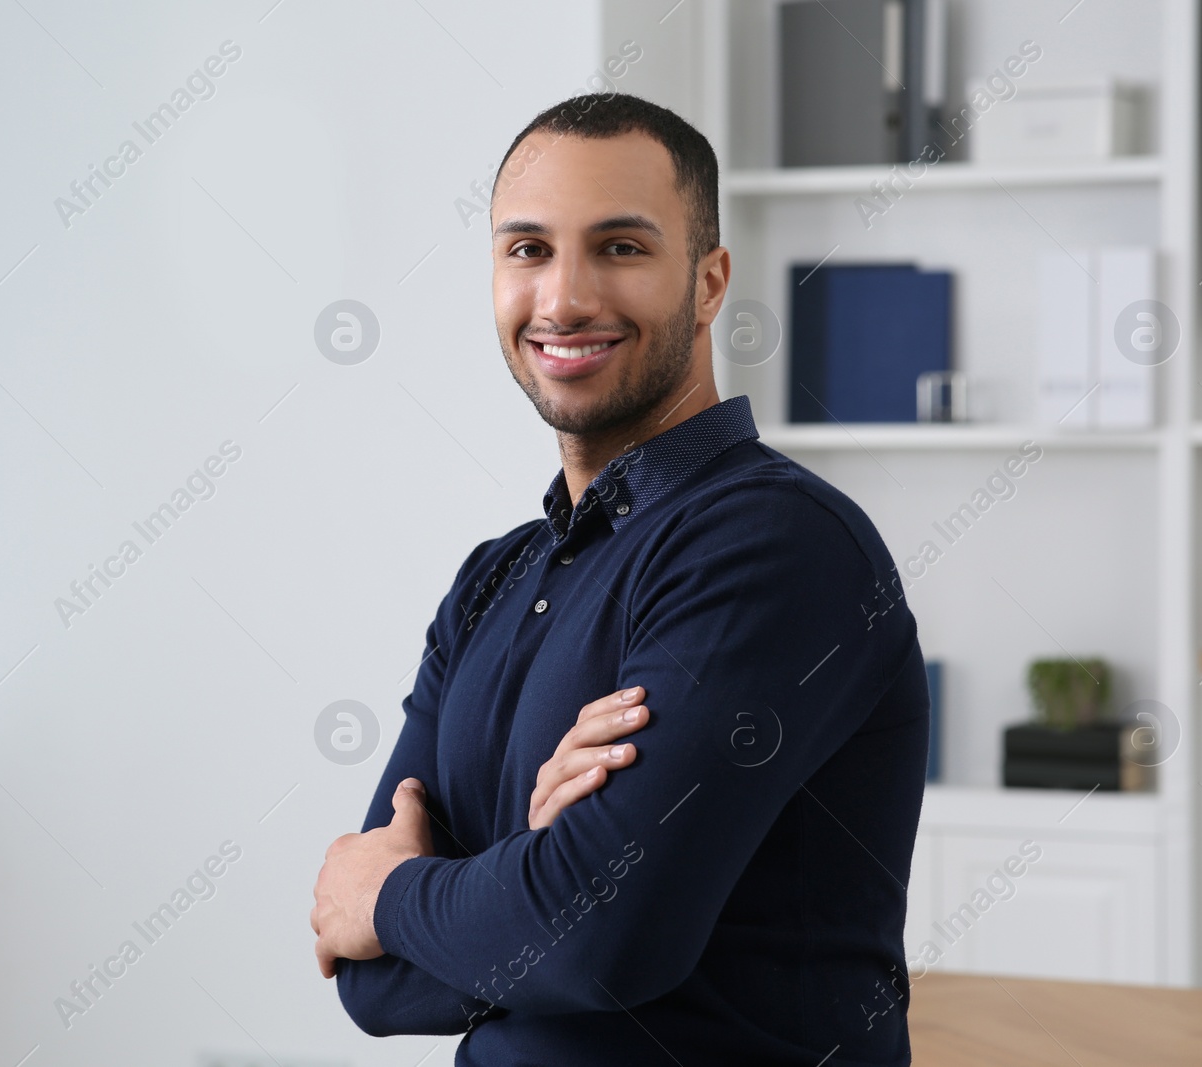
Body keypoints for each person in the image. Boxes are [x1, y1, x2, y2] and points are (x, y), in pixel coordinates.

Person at [310, 92, 928, 1066]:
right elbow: (369, 980)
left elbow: (597, 938)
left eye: (620, 247)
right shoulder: (491, 581)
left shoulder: (773, 544)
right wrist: (535, 867)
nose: (562, 300)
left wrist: (393, 895)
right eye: (528, 250)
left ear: (710, 280)